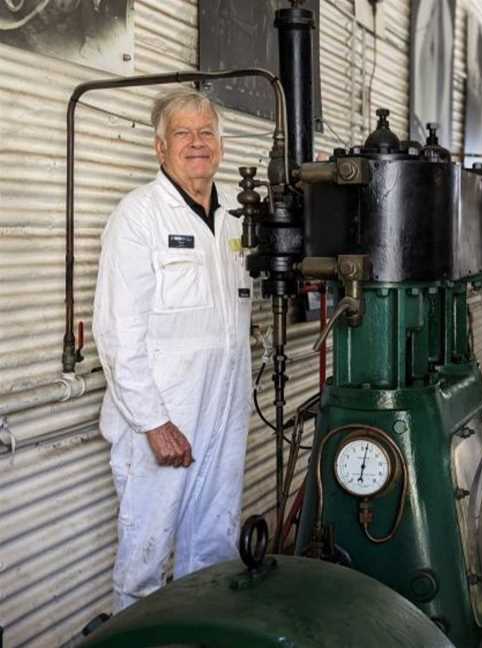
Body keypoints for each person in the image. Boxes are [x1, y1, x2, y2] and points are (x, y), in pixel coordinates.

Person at [93, 89, 253, 612]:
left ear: (221, 147)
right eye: (183, 134)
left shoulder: (237, 216)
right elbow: (118, 333)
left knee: (213, 548)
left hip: (224, 410)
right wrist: (153, 422)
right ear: (161, 149)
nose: (197, 143)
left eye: (206, 132)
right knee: (146, 554)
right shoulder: (138, 217)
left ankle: (202, 635)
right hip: (162, 415)